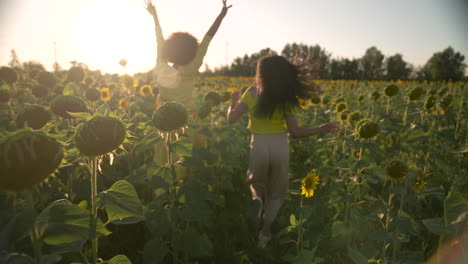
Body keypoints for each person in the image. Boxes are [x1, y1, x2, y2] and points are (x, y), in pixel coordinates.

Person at [227, 55, 340, 247]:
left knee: (256, 182)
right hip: (279, 145)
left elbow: (231, 119)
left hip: (259, 144)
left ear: (260, 73)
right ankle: (265, 233)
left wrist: (233, 102)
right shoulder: (285, 98)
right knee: (277, 193)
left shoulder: (251, 93)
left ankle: (256, 199)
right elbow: (295, 132)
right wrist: (321, 127)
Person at [145, 0, 231, 165]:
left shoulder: (161, 66)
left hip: (164, 120)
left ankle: (163, 191)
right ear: (192, 51)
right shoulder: (191, 68)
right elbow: (207, 39)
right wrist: (221, 15)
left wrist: (154, 16)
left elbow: (159, 39)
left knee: (163, 163)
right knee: (186, 162)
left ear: (169, 49)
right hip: (188, 121)